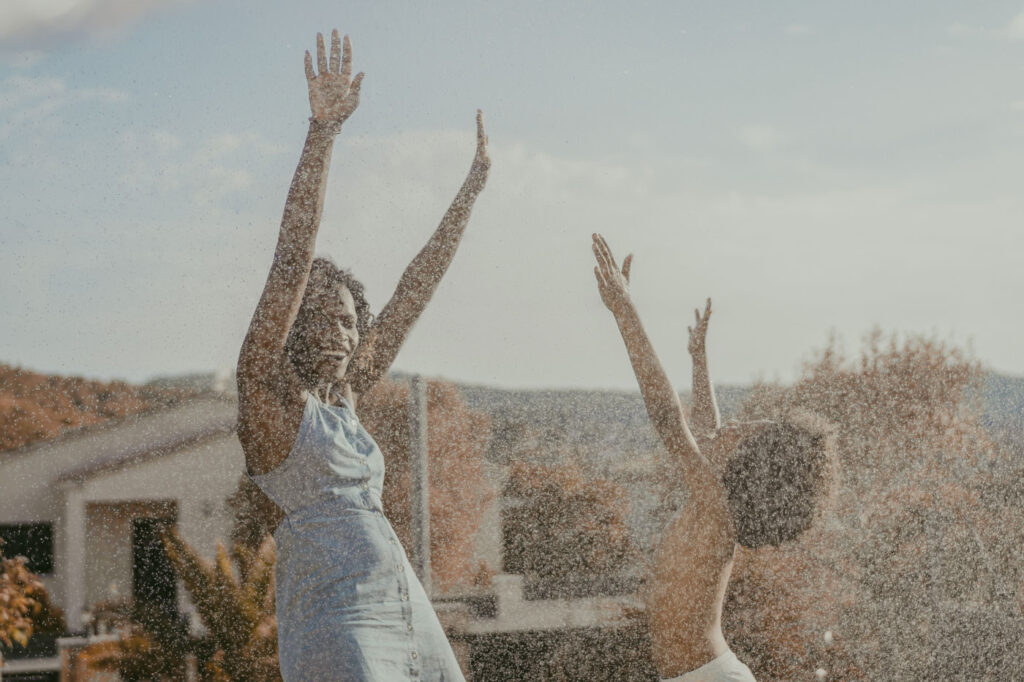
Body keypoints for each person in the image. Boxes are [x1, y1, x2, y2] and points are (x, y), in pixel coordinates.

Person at [236, 29, 488, 681]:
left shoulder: (345, 398)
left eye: (350, 323)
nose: (342, 335)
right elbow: (292, 255)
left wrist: (470, 192)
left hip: (407, 611)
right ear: (293, 328)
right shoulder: (270, 398)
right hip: (337, 626)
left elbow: (411, 292)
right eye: (322, 319)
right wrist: (323, 135)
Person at [590, 234, 834, 682]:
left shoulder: (716, 507)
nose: (730, 428)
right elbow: (705, 428)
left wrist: (626, 312)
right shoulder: (715, 506)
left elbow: (670, 420)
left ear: (745, 470)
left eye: (743, 431)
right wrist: (698, 361)